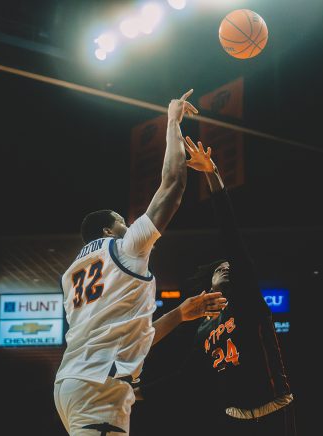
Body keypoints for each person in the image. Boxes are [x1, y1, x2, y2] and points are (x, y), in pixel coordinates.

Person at [53, 90, 226, 436]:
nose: (128, 223)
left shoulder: (72, 275)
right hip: (97, 386)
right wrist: (173, 122)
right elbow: (173, 186)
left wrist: (179, 314)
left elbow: (129, 338)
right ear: (108, 229)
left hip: (77, 383)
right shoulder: (124, 248)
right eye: (121, 220)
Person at [135, 137, 296, 436]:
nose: (227, 267)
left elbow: (231, 236)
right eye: (220, 268)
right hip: (232, 419)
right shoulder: (203, 329)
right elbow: (185, 376)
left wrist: (214, 175)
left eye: (231, 266)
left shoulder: (248, 299)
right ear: (209, 282)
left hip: (273, 411)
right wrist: (137, 392)